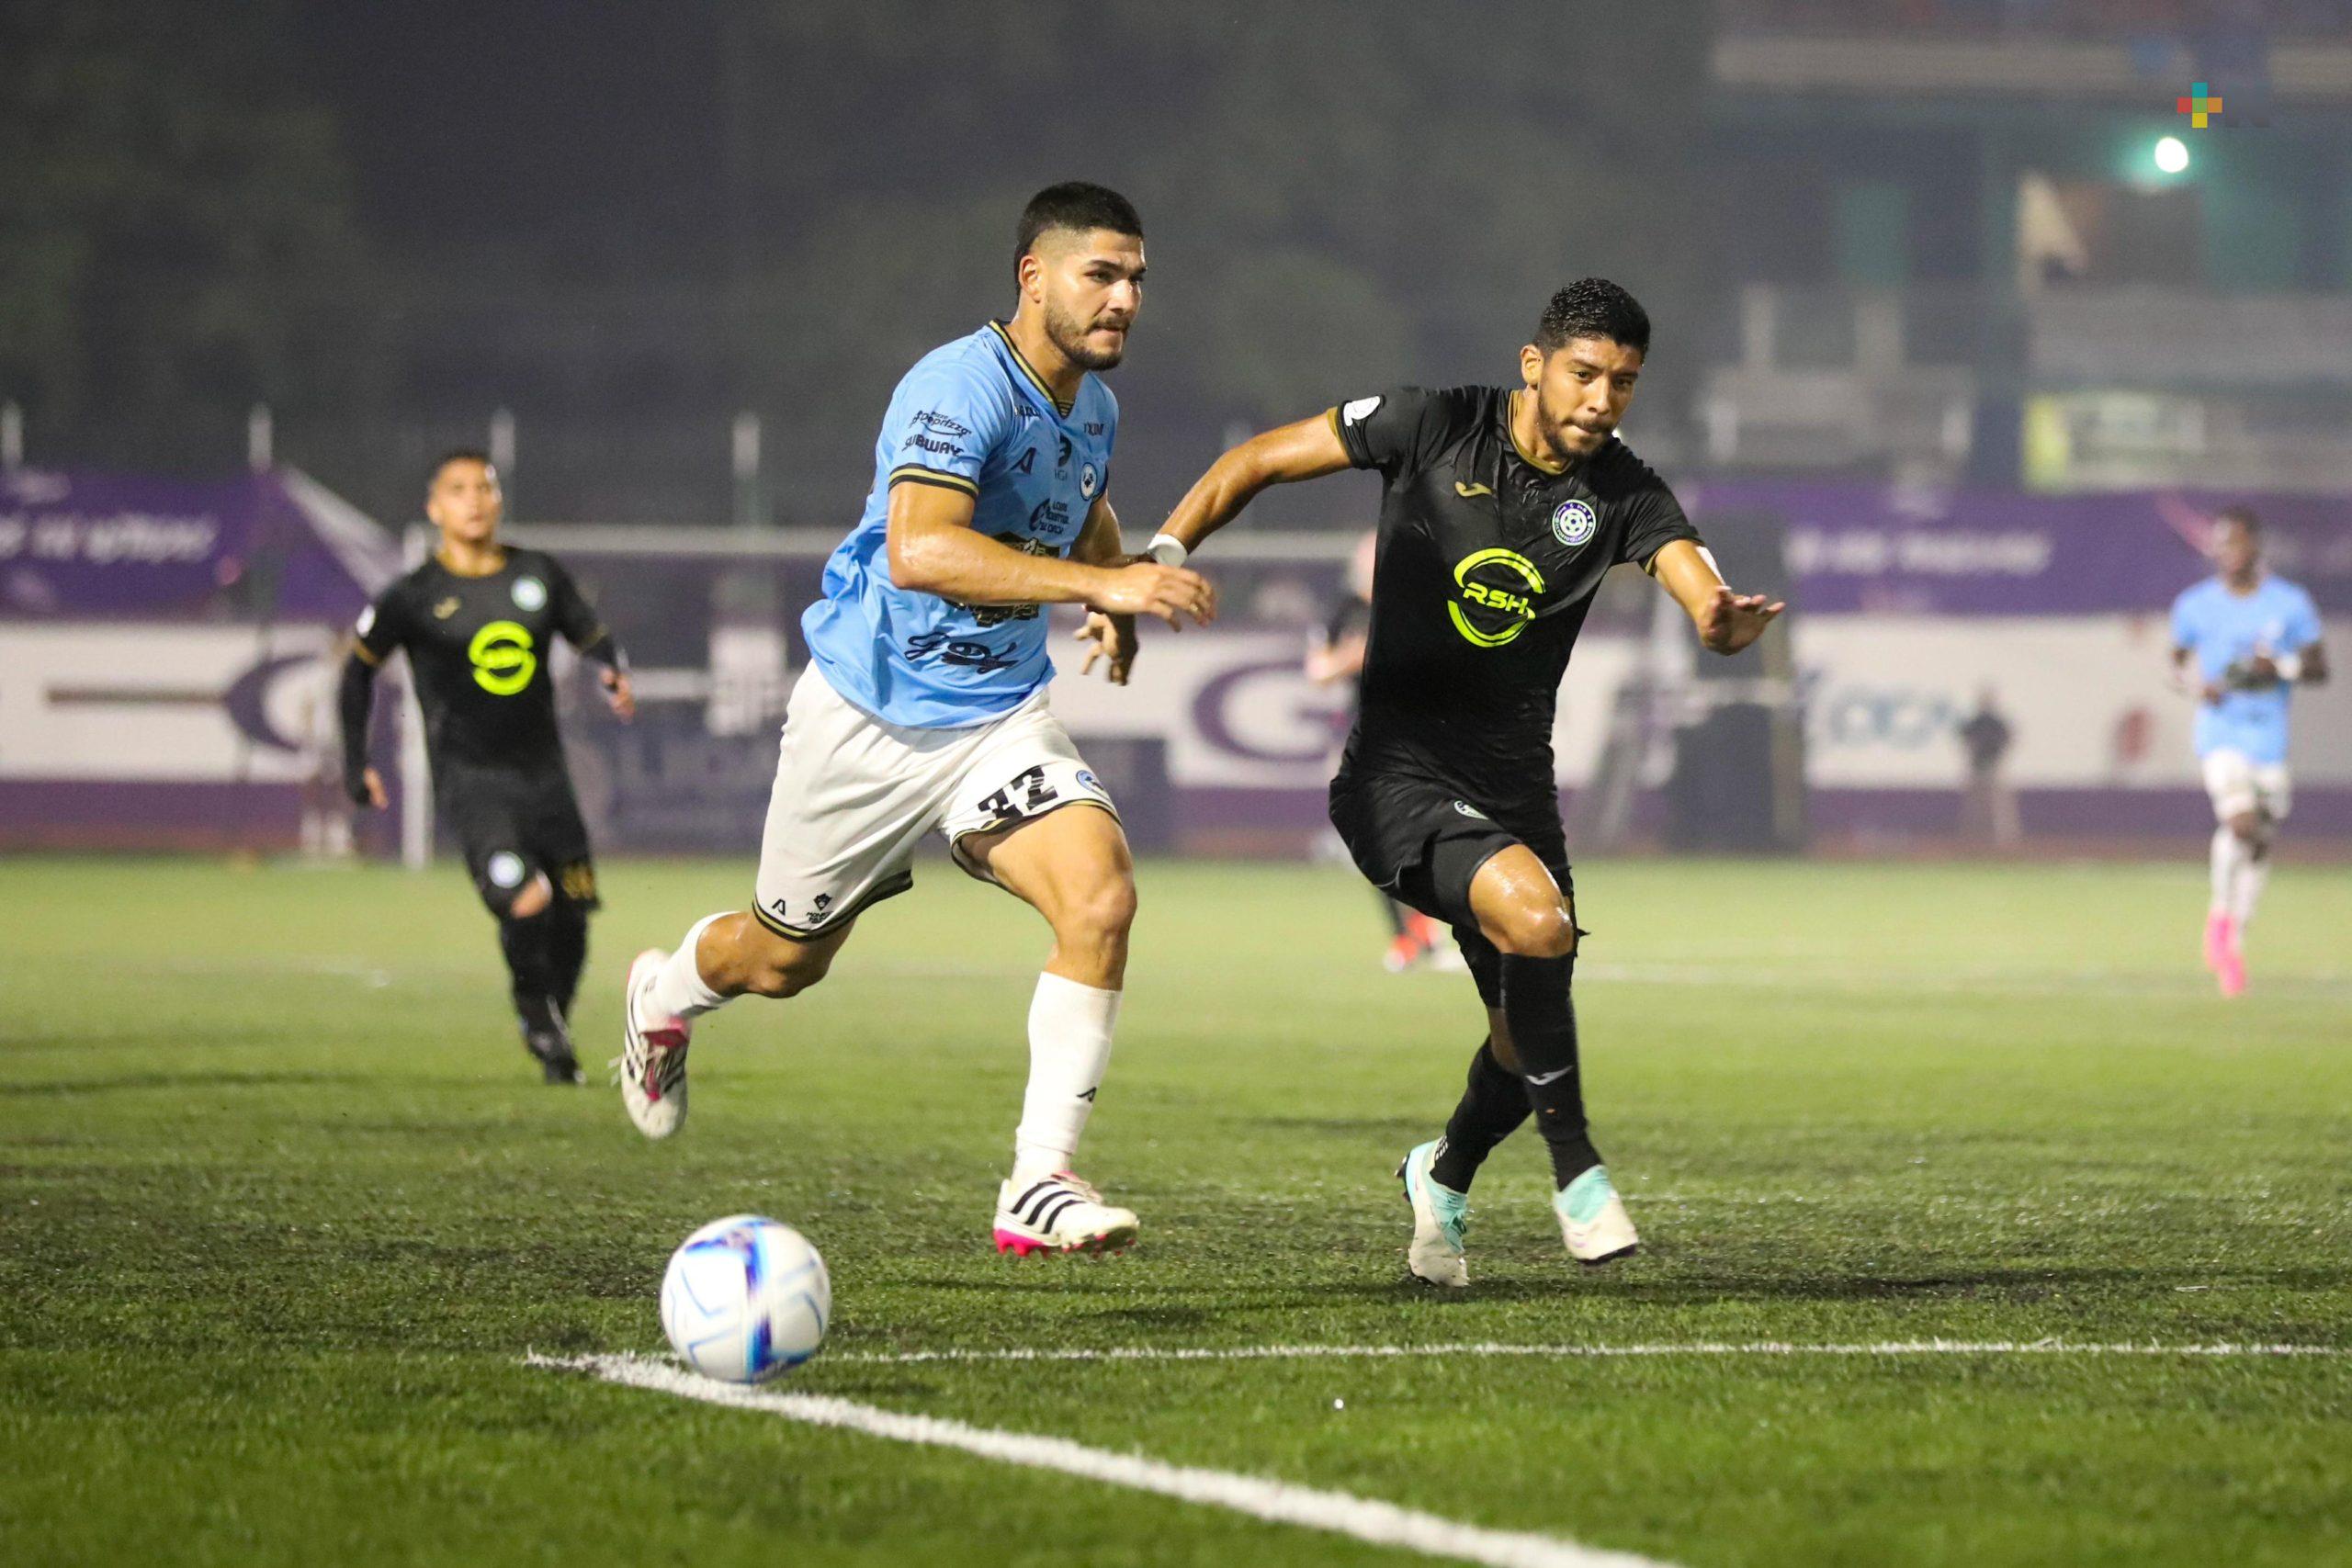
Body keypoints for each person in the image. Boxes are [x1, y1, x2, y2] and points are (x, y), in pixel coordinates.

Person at [616, 183, 1215, 1258]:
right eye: (1102, 275)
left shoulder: (1095, 404)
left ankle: (1037, 1179)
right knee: (782, 964)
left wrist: (1108, 585)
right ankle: (662, 995)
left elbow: (1084, 505)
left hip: (995, 721)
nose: (1125, 298)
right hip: (867, 720)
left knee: (1101, 894)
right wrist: (1114, 591)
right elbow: (919, 549)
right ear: (1034, 277)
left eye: (1136, 280)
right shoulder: (956, 384)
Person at [1145, 277, 1781, 1286]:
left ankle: (1439, 1175)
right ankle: (1580, 1179)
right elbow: (1258, 459)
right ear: (1534, 365)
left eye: (1622, 383)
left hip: (1517, 793)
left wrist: (1718, 621)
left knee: (1520, 1035)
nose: (1601, 400)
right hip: (1396, 774)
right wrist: (1165, 552)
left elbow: (1692, 577)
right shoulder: (1430, 424)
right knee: (1539, 928)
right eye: (1584, 374)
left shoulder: (1623, 493)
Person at [341, 451, 637, 1083]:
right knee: (525, 898)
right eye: (458, 489)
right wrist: (355, 762)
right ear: (435, 508)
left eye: (484, 487)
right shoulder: (415, 595)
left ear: (499, 500)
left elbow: (590, 633)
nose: (473, 499)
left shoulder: (537, 575)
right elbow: (358, 668)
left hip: (546, 777)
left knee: (574, 916)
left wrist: (611, 667)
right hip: (472, 782)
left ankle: (553, 1025)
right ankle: (535, 1015)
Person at [2169, 507, 2328, 998]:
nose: (2229, 553)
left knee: (2259, 839)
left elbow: (2320, 670)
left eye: (2238, 543)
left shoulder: (2289, 603)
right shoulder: (2195, 605)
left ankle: (2233, 940)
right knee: (2239, 821)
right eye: (2222, 544)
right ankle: (2220, 917)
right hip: (2221, 731)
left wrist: (2277, 665)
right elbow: (2174, 668)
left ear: (2256, 546)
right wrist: (2198, 688)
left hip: (2269, 738)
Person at [1304, 531, 1454, 971]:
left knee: (1422, 833)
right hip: (1366, 735)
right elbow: (1317, 671)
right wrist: (1348, 662)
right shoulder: (1343, 613)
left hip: (1417, 732)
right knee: (1371, 839)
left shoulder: (1416, 605)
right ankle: (1409, 935)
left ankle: (1427, 928)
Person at [1955, 686, 2018, 850]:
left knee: (1998, 804)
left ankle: (2004, 837)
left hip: (1994, 766)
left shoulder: (1995, 723)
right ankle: (1972, 835)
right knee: (1975, 804)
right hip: (1977, 766)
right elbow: (1964, 737)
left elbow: (2007, 738)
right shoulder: (1976, 721)